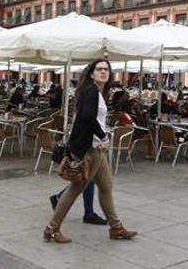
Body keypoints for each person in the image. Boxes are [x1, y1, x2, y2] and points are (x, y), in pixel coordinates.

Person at [44, 59, 137, 243]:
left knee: (106, 187)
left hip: (95, 148)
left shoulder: (97, 92)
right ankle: (51, 229)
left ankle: (116, 228)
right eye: (99, 69)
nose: (103, 72)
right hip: (90, 149)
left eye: (106, 70)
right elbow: (87, 117)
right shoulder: (91, 91)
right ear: (92, 73)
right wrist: (103, 137)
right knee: (75, 189)